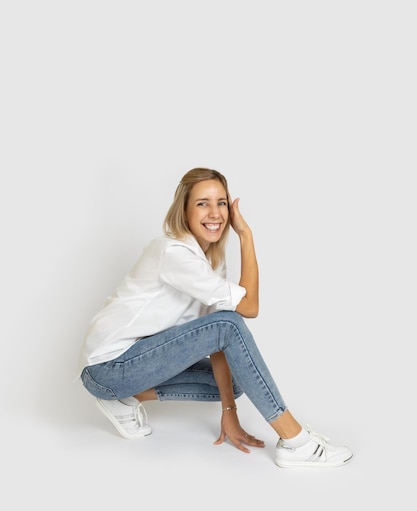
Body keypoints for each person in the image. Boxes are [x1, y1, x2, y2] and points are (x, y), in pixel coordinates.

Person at [78, 167, 353, 468]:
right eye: (202, 203)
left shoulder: (208, 261)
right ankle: (294, 440)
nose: (215, 212)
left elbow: (221, 341)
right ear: (183, 209)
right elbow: (249, 307)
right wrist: (246, 235)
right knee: (230, 323)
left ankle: (124, 398)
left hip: (131, 366)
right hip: (108, 368)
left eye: (221, 202)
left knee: (235, 379)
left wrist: (229, 412)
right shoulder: (173, 253)